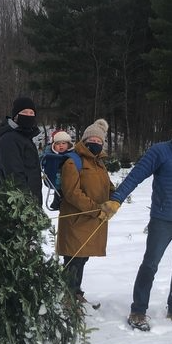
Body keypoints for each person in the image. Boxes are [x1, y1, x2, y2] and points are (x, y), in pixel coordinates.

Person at [102, 110, 172, 331]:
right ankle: (138, 311)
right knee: (150, 264)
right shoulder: (160, 151)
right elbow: (136, 175)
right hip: (163, 220)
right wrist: (116, 199)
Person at [56, 119, 114, 303]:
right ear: (85, 140)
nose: (95, 144)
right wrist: (96, 209)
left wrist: (114, 200)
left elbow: (108, 186)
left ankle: (75, 292)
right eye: (92, 140)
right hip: (76, 221)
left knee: (82, 259)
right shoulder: (73, 162)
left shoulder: (99, 164)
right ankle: (68, 297)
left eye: (99, 141)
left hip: (92, 221)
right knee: (73, 259)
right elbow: (72, 193)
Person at [0, 96, 42, 206]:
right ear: (16, 116)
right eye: (25, 112)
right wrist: (27, 204)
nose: (29, 116)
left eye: (32, 113)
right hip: (17, 204)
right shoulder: (10, 139)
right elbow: (14, 175)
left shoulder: (25, 138)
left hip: (32, 201)